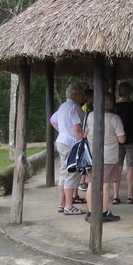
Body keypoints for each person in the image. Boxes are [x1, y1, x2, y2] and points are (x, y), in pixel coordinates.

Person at [84, 92, 126, 223]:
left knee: (91, 183)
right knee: (105, 184)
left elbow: (85, 134)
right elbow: (122, 139)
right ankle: (103, 212)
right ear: (110, 103)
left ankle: (91, 212)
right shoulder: (115, 119)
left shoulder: (90, 116)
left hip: (92, 155)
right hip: (109, 156)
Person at [49, 82, 86, 216]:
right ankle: (69, 206)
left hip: (62, 141)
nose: (84, 97)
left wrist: (63, 131)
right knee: (72, 173)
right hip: (72, 143)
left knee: (64, 173)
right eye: (82, 94)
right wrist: (83, 140)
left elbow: (52, 120)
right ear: (76, 94)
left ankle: (62, 203)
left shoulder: (63, 106)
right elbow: (77, 129)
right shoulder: (75, 108)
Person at [113, 81, 133, 204]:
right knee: (130, 167)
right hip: (132, 138)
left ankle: (116, 196)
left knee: (118, 167)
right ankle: (130, 196)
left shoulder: (115, 106)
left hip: (117, 139)